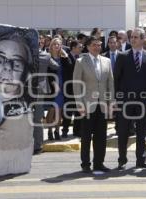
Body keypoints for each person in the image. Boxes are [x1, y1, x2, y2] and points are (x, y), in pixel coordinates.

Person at [114, 28, 146, 170]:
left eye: (136, 37)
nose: (133, 39)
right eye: (132, 37)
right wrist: (117, 100)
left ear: (143, 39)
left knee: (142, 132)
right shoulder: (122, 56)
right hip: (125, 102)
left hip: (143, 102)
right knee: (123, 132)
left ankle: (141, 160)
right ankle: (122, 159)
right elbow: (116, 80)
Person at [73, 36, 115, 173]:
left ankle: (99, 163)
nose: (97, 47)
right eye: (94, 45)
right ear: (88, 47)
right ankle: (85, 164)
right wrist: (79, 104)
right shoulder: (80, 62)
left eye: (99, 44)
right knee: (86, 136)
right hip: (87, 105)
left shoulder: (107, 61)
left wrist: (110, 103)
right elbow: (77, 84)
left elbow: (110, 84)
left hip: (102, 105)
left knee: (101, 136)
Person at [45, 38, 72, 140]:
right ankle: (50, 130)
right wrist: (53, 83)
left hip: (62, 86)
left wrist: (65, 56)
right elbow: (47, 73)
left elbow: (70, 67)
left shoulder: (63, 58)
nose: (56, 46)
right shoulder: (48, 57)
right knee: (51, 110)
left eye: (59, 44)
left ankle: (57, 131)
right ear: (51, 46)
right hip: (52, 87)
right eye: (55, 44)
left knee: (59, 110)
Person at [61, 40, 83, 138]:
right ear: (73, 48)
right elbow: (70, 68)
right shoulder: (66, 57)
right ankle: (65, 130)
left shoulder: (81, 57)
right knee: (68, 111)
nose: (81, 49)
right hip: (69, 88)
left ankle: (77, 131)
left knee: (78, 110)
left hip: (79, 88)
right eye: (79, 47)